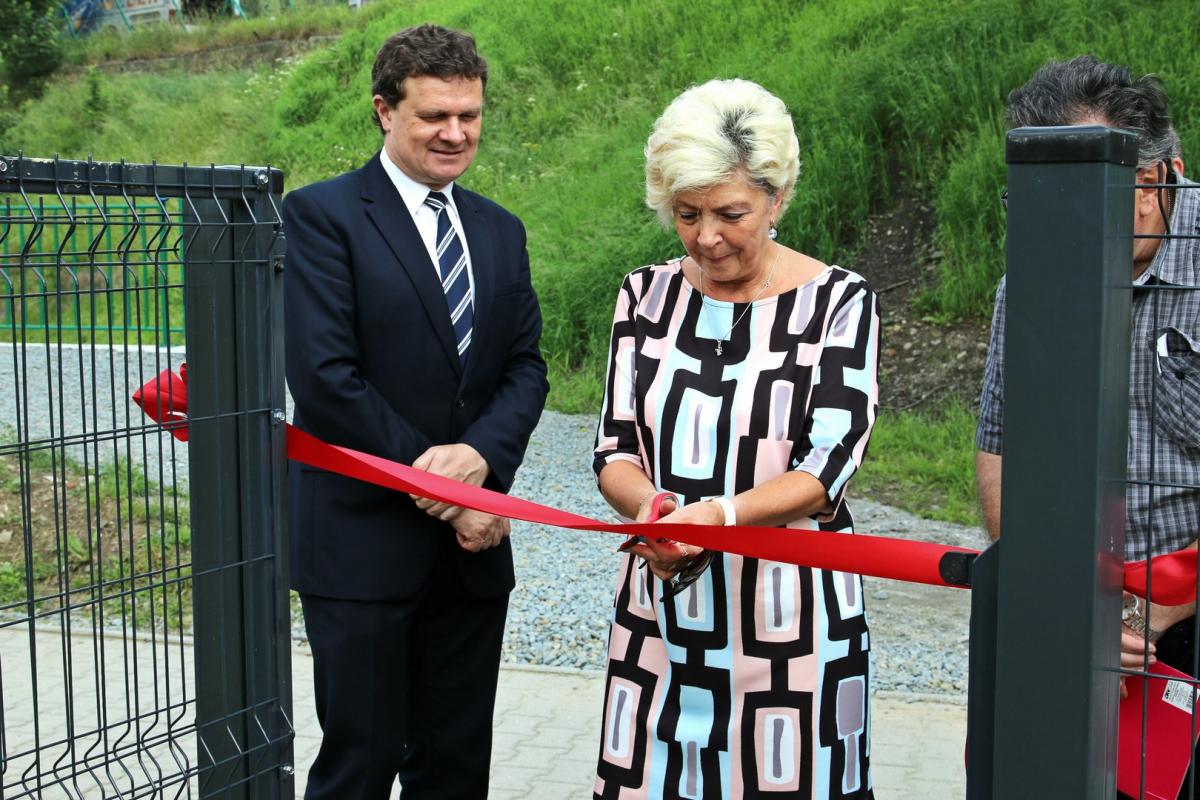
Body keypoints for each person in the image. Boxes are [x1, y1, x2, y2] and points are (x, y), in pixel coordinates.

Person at [592, 78, 880, 799]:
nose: (706, 237)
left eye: (730, 213)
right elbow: (614, 448)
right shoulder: (643, 295)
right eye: (687, 214)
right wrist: (653, 511)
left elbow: (827, 467)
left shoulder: (840, 302)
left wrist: (718, 517)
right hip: (662, 605)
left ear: (777, 199)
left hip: (789, 620)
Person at [282, 23, 548, 800]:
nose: (455, 133)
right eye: (435, 115)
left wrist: (482, 461)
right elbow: (327, 380)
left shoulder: (500, 230)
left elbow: (526, 367)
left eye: (470, 115)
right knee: (358, 770)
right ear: (384, 110)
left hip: (470, 561)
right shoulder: (322, 216)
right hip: (363, 549)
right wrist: (448, 489)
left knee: (455, 772)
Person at [975, 55, 1200, 797]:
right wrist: (1047, 588)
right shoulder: (1031, 280)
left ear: (1158, 181)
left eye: (1086, 195)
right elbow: (1000, 448)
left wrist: (1159, 606)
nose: (1063, 224)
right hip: (1070, 614)